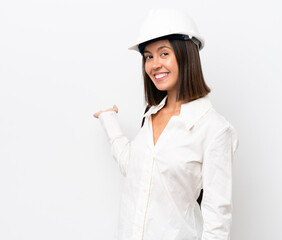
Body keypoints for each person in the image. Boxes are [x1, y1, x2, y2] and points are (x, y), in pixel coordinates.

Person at [93, 8, 239, 240]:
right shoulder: (150, 115)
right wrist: (109, 120)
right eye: (148, 56)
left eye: (164, 53)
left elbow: (217, 222)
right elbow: (133, 167)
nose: (154, 65)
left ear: (186, 54)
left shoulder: (214, 129)